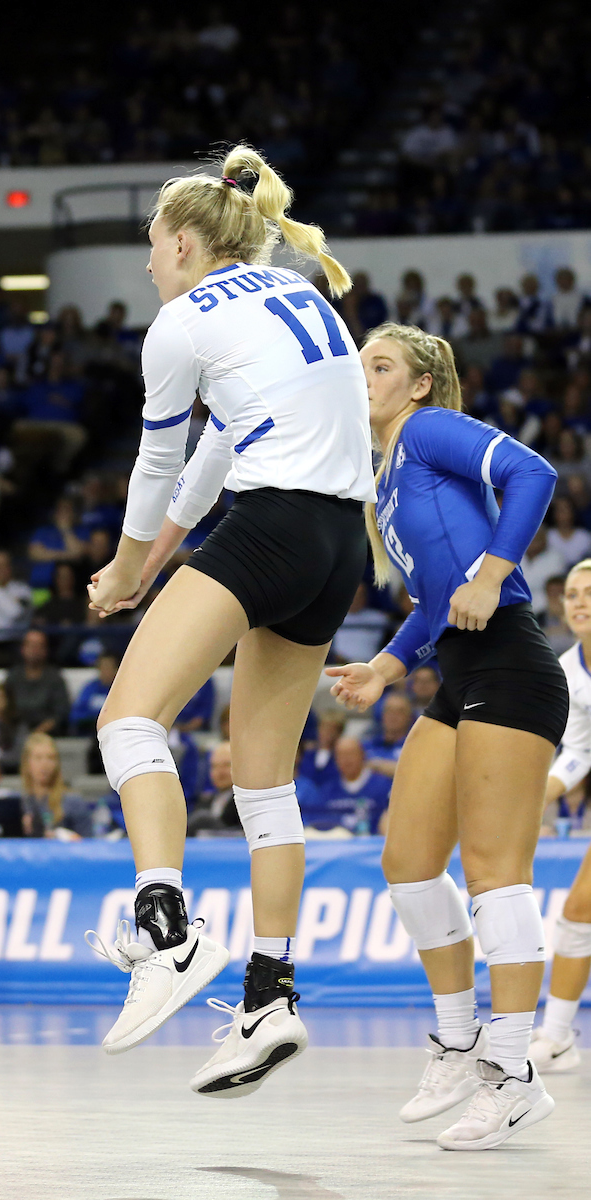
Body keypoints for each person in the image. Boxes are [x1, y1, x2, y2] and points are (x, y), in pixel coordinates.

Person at [83, 145, 373, 1095]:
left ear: (177, 240)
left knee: (126, 720)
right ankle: (268, 1000)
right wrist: (153, 565)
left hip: (275, 522)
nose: (149, 266)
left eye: (151, 249)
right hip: (338, 546)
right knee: (264, 786)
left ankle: (166, 931)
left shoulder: (178, 322)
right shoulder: (296, 293)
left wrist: (127, 566)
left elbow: (159, 464)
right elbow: (217, 447)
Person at [327, 322, 567, 1149]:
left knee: (496, 873)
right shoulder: (382, 477)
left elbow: (534, 472)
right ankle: (459, 1040)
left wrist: (497, 569)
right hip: (456, 674)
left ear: (419, 385)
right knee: (407, 864)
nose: (364, 376)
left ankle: (513, 1074)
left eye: (380, 365)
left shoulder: (427, 432)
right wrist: (388, 669)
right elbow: (435, 603)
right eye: (360, 364)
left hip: (509, 663)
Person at [530, 559, 591, 1073]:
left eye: (590, 592)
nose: (580, 601)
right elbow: (578, 752)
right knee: (578, 913)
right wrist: (537, 796)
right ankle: (557, 1038)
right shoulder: (568, 671)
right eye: (572, 594)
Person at [300, 736, 390, 835]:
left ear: (362, 755)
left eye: (351, 754)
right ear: (335, 760)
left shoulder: (383, 787)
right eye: (341, 755)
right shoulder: (327, 791)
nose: (346, 760)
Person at [18, 732, 92, 838]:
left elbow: (89, 842)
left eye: (51, 758)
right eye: (38, 758)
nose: (45, 764)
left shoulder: (73, 802)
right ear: (26, 763)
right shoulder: (21, 803)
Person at [6, 628, 70, 734]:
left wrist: (39, 732)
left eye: (39, 646)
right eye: (30, 645)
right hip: (15, 733)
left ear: (46, 649)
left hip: (49, 734)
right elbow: (6, 708)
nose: (34, 650)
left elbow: (61, 712)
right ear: (22, 648)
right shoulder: (13, 676)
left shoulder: (55, 678)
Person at [186, 741, 240, 836]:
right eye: (214, 766)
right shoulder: (204, 800)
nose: (219, 772)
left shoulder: (244, 801)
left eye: (226, 765)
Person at [362, 690, 413, 777]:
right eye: (389, 710)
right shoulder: (366, 746)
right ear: (382, 714)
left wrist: (376, 765)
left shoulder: (415, 747)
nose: (393, 715)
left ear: (409, 717)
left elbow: (415, 774)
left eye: (400, 711)